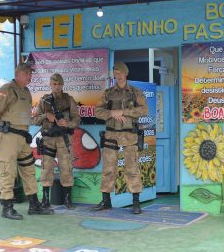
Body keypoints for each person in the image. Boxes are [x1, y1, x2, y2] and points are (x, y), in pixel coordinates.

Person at [0, 63, 54, 220]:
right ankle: (7, 207)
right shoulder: (7, 90)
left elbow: (26, 118)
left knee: (28, 170)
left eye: (30, 73)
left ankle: (33, 204)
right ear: (18, 74)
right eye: (26, 73)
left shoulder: (26, 92)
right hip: (9, 137)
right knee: (8, 171)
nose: (30, 76)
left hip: (23, 137)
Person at [93, 62, 148, 214]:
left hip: (129, 135)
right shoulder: (108, 93)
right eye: (115, 72)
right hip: (111, 134)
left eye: (120, 72)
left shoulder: (135, 92)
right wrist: (112, 113)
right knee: (108, 169)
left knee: (132, 168)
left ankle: (136, 203)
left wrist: (123, 112)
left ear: (126, 73)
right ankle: (106, 201)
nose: (118, 75)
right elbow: (97, 111)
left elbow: (144, 110)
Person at [33, 73, 80, 209]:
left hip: (64, 139)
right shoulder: (44, 101)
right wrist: (45, 115)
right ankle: (46, 199)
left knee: (66, 167)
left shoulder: (69, 100)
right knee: (46, 168)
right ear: (50, 85)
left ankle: (67, 199)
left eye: (59, 84)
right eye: (54, 84)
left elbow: (77, 119)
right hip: (48, 139)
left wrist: (68, 123)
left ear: (62, 85)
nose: (57, 87)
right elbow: (35, 120)